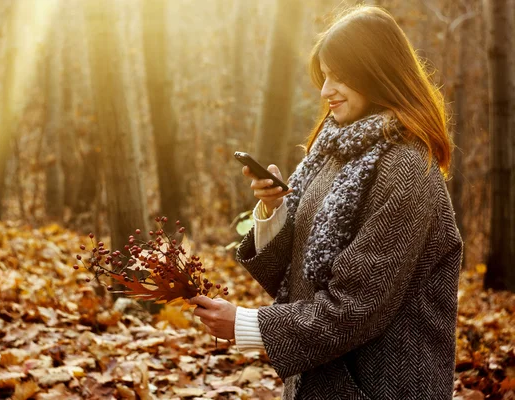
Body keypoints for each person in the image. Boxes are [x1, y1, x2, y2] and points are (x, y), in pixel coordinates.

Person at [189, 5, 463, 399]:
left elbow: (355, 306)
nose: (325, 91)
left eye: (342, 77)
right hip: (324, 380)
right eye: (325, 76)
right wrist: (273, 210)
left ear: (379, 75)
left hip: (381, 385)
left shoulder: (406, 168)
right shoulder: (333, 150)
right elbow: (296, 274)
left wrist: (247, 326)